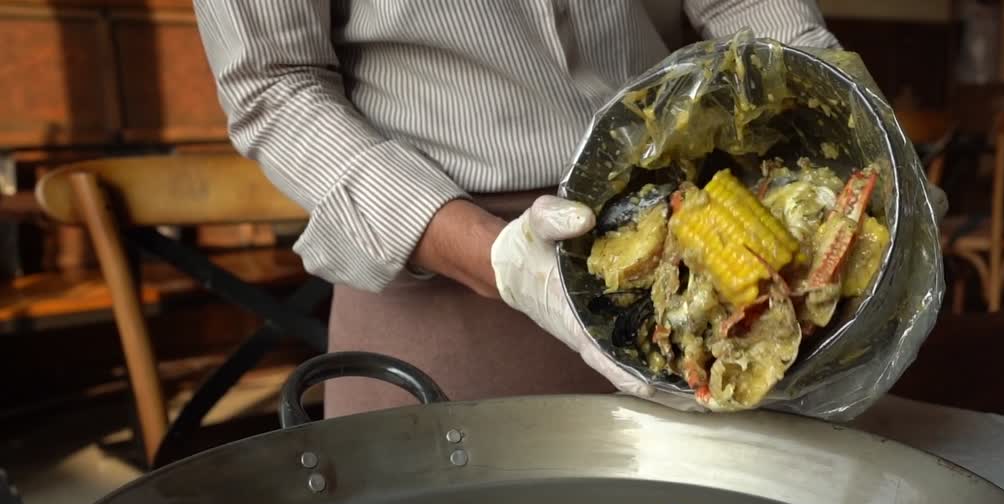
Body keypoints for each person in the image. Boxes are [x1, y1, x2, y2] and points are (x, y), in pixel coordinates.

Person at [192, 1, 843, 419]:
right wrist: (495, 256)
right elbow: (275, 85)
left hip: (689, 243)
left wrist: (841, 110)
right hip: (445, 276)